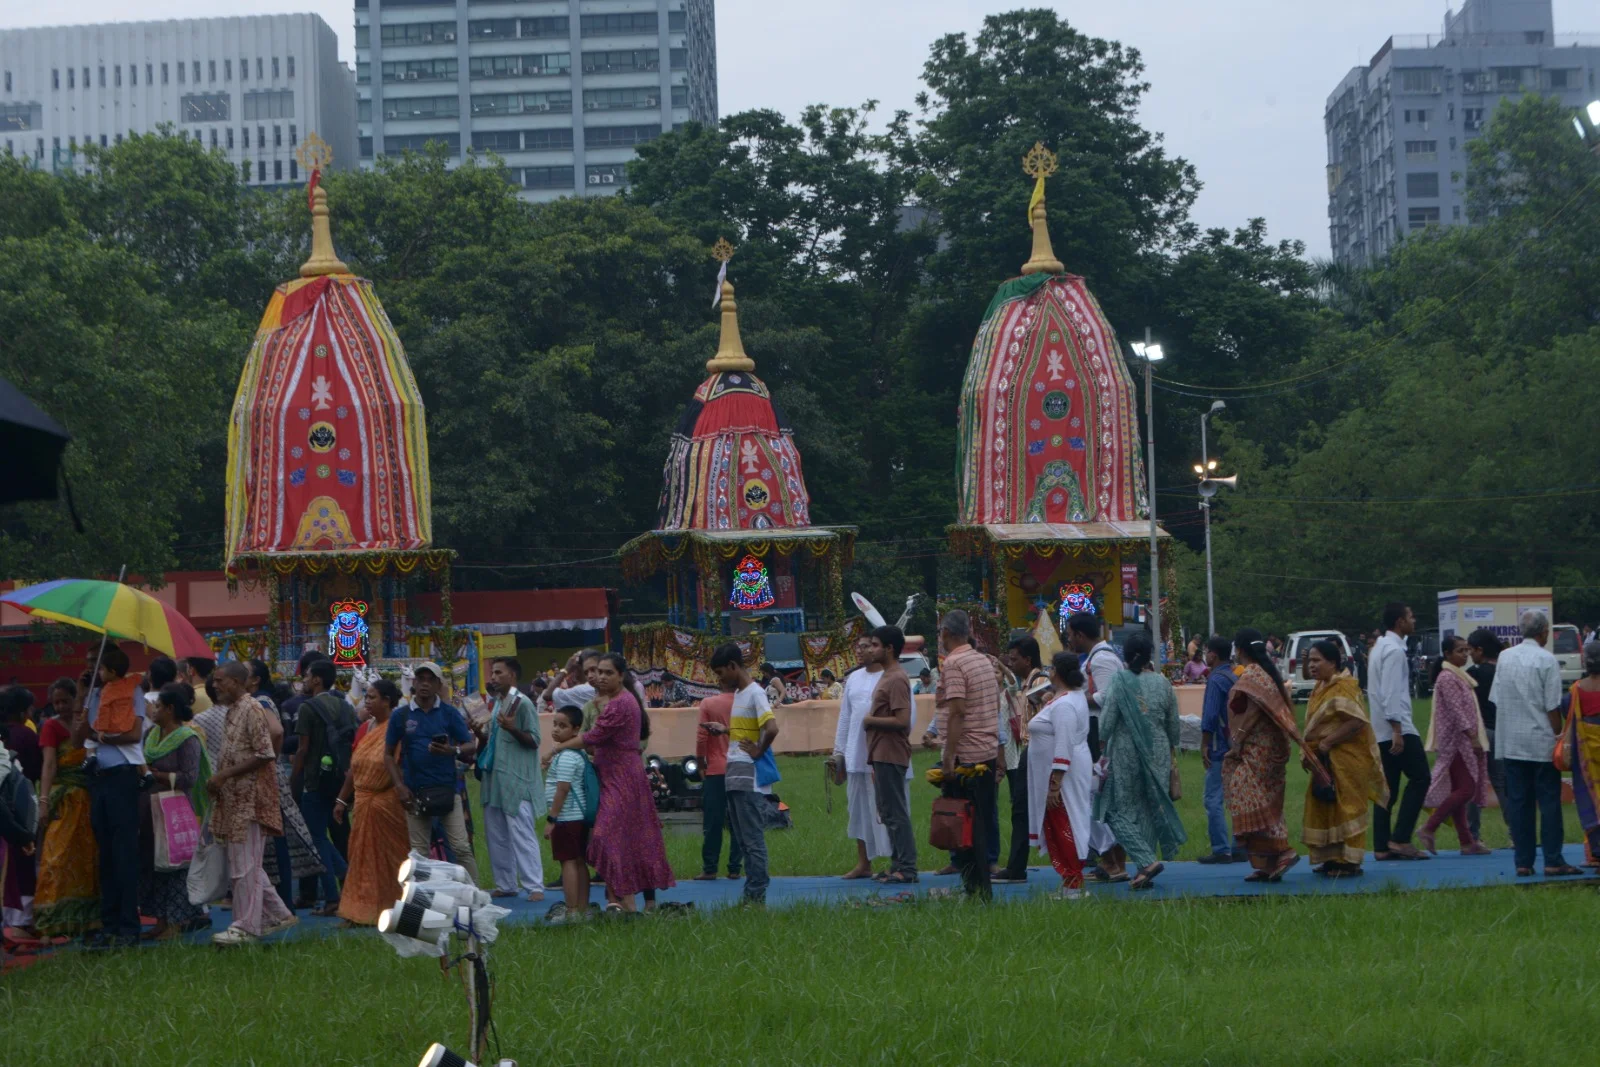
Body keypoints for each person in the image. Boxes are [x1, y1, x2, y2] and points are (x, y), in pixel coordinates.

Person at [1224, 628, 1325, 882]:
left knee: (1247, 791)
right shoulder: (1265, 674)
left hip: (1260, 747)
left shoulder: (1255, 675)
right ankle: (1267, 864)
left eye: (1236, 648)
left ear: (1241, 650)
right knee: (1263, 798)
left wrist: (1239, 738)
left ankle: (1283, 851)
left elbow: (1254, 712)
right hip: (1265, 748)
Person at [206, 662, 297, 946]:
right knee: (246, 863)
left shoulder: (253, 708)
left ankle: (245, 927)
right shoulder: (234, 710)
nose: (215, 686)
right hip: (235, 797)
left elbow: (265, 753)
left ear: (237, 681)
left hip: (251, 798)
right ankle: (277, 915)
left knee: (244, 866)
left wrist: (224, 774)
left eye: (220, 681)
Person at [1091, 631, 1185, 890]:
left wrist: (1098, 746)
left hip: (1126, 752)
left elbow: (1106, 723)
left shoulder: (1120, 680)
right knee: (1149, 807)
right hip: (1159, 752)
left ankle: (1145, 861)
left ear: (1124, 655)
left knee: (1112, 810)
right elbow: (1174, 727)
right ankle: (1145, 867)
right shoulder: (1163, 683)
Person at [582, 653, 674, 913]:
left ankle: (638, 901)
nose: (596, 676)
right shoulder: (591, 707)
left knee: (629, 835)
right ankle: (618, 901)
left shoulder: (625, 702)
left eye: (603, 672)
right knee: (619, 837)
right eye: (592, 671)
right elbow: (585, 738)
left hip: (627, 777)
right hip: (606, 776)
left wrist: (561, 748)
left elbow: (637, 741)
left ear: (619, 675)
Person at [1491, 610, 1579, 877]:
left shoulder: (1505, 657)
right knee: (1549, 802)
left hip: (1512, 742)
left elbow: (1496, 698)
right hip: (1541, 742)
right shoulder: (1547, 660)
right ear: (1544, 632)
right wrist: (1559, 734)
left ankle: (1523, 862)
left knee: (1519, 803)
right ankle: (1553, 860)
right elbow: (1552, 706)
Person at [385, 661, 480, 885]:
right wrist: (399, 786)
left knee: (461, 847)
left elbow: (470, 745)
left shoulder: (448, 713)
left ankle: (476, 895)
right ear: (414, 683)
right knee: (419, 852)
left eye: (431, 680)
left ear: (439, 685)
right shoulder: (401, 715)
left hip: (448, 789)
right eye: (421, 679)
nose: (425, 684)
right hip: (414, 790)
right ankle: (423, 901)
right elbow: (388, 754)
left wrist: (451, 750)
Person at [1300, 641, 1389, 877]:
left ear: (1333, 662)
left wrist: (1328, 742)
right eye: (1310, 660)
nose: (1312, 665)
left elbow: (1357, 721)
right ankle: (1331, 859)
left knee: (1346, 808)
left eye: (1317, 660)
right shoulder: (1321, 687)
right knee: (1326, 805)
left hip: (1347, 760)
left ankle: (1349, 862)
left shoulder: (1345, 686)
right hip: (1325, 761)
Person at [932, 609, 1002, 900]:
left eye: (939, 633)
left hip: (966, 755)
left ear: (946, 633)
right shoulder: (982, 659)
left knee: (963, 822)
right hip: (985, 750)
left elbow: (958, 712)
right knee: (981, 820)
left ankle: (974, 887)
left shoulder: (955, 663)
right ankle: (980, 886)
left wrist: (949, 758)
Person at [82, 645, 147, 948]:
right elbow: (78, 736)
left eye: (95, 664)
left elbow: (134, 734)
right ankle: (108, 924)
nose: (90, 670)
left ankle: (128, 927)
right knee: (104, 853)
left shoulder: (131, 692)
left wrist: (102, 736)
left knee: (124, 853)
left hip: (122, 776)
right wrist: (83, 708)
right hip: (99, 779)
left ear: (109, 666)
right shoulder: (94, 695)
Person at [333, 679, 411, 926]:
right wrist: (341, 800)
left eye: (373, 697)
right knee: (361, 858)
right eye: (366, 696)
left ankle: (397, 908)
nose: (367, 701)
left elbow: (400, 767)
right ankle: (359, 911)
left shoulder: (397, 728)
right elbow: (354, 769)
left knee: (393, 859)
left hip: (387, 805)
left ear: (388, 701)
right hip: (363, 803)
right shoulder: (366, 728)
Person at [138, 682, 210, 940]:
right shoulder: (151, 736)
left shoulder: (187, 738)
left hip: (175, 808)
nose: (152, 710)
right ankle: (159, 921)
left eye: (157, 706)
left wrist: (156, 774)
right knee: (153, 865)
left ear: (169, 709)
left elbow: (189, 777)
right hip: (149, 807)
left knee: (177, 867)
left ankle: (177, 923)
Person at [253, 657, 324, 912]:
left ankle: (285, 900)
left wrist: (267, 762)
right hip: (305, 774)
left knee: (283, 835)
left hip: (283, 775)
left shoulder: (261, 703)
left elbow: (280, 734)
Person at [711, 642, 780, 905]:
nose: (720, 679)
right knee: (742, 838)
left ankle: (756, 894)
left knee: (751, 839)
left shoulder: (755, 693)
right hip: (736, 772)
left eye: (721, 673)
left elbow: (771, 728)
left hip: (748, 775)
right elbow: (750, 732)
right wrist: (726, 731)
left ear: (732, 666)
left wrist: (759, 751)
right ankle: (752, 892)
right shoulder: (741, 694)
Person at [475, 657, 545, 902]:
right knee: (496, 832)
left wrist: (513, 729)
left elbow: (535, 740)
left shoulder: (522, 703)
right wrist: (478, 733)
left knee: (521, 832)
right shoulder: (496, 703)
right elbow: (490, 740)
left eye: (498, 673)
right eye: (492, 672)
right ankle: (505, 884)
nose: (493, 677)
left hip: (516, 778)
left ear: (512, 676)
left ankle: (534, 885)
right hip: (494, 777)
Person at [1415, 635, 1493, 856]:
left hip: (1463, 740)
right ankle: (1430, 827)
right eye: (1460, 651)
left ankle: (1467, 841)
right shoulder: (1448, 678)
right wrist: (1473, 737)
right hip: (1458, 742)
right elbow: (1457, 712)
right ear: (1447, 654)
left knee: (1460, 790)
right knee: (1466, 789)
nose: (1465, 655)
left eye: (1467, 650)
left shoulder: (1459, 676)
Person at [33, 677, 99, 937]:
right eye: (56, 702)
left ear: (75, 699)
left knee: (86, 859)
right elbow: (49, 765)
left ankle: (86, 919)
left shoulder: (86, 722)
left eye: (65, 701)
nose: (60, 707)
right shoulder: (50, 726)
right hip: (64, 799)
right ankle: (53, 920)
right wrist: (44, 800)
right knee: (55, 858)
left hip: (87, 798)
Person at [292, 660, 355, 916]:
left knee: (315, 837)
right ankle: (344, 872)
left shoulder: (308, 708)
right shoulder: (345, 706)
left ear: (317, 679)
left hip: (315, 781)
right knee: (327, 834)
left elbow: (303, 748)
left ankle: (332, 896)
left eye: (307, 676)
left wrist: (294, 779)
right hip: (341, 780)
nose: (304, 680)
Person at [1027, 651, 1092, 898]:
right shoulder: (1067, 698)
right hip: (1063, 771)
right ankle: (1070, 881)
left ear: (1058, 672)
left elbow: (1063, 743)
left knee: (1066, 821)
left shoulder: (1065, 704)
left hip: (1063, 774)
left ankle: (1073, 882)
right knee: (1061, 821)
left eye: (1051, 668)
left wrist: (1055, 784)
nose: (1048, 672)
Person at [1369, 603, 1429, 860]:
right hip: (1397, 725)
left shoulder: (1379, 648)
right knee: (1421, 778)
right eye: (1410, 616)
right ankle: (1401, 838)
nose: (1413, 620)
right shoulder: (1393, 651)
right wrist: (1397, 729)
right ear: (1399, 622)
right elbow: (1391, 692)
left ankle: (1381, 845)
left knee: (1389, 788)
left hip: (1381, 727)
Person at [861, 625, 917, 884]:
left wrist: (870, 720)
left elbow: (903, 720)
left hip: (891, 752)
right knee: (887, 811)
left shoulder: (896, 678)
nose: (870, 649)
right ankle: (897, 865)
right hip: (881, 752)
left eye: (874, 645)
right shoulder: (887, 675)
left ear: (889, 648)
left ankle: (907, 868)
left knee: (895, 812)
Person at [833, 636, 890, 879]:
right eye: (860, 647)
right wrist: (839, 753)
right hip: (855, 756)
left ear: (882, 649)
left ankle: (898, 863)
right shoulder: (853, 679)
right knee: (858, 811)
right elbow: (845, 717)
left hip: (884, 755)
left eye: (868, 646)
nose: (862, 650)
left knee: (889, 811)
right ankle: (863, 863)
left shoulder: (891, 677)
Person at [996, 636, 1049, 884]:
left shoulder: (1040, 683)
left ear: (1027, 660)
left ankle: (1017, 867)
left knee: (1022, 808)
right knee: (1022, 808)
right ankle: (1016, 866)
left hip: (1037, 749)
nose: (1011, 663)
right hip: (1030, 748)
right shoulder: (1027, 682)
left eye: (1014, 659)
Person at [542, 705, 593, 924]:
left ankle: (572, 911)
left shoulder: (566, 757)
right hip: (578, 819)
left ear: (576, 729)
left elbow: (562, 789)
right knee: (579, 862)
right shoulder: (577, 754)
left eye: (563, 726)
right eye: (555, 724)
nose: (556, 730)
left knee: (568, 863)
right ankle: (581, 908)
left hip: (566, 818)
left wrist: (552, 819)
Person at [1197, 637, 1245, 864]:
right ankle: (1239, 845)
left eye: (1207, 652)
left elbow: (1210, 714)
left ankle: (1221, 849)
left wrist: (1204, 743)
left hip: (1218, 745)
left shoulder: (1215, 679)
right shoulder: (1233, 676)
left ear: (1213, 655)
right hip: (1235, 744)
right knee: (1235, 796)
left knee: (1213, 798)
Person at [693, 678, 742, 881]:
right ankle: (734, 868)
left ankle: (710, 868)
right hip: (740, 767)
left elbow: (701, 737)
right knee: (738, 820)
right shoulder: (744, 703)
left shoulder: (708, 704)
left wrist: (700, 763)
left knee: (713, 821)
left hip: (716, 770)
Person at [1465, 629, 1507, 837]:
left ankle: (1473, 834)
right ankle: (1515, 832)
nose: (1469, 654)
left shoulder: (1473, 674)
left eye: (1471, 650)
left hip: (1479, 733)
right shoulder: (1502, 671)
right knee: (1501, 783)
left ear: (1480, 651)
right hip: (1499, 732)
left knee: (1474, 784)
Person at [1563, 641, 1600, 866]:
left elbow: (1565, 710)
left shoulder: (1576, 690)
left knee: (1588, 798)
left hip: (1585, 755)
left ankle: (1596, 850)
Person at [1066, 611, 1121, 761]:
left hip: (1098, 728)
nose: (1069, 640)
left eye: (1070, 635)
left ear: (1080, 636)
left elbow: (1107, 696)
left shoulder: (1102, 659)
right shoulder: (1095, 657)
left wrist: (1072, 698)